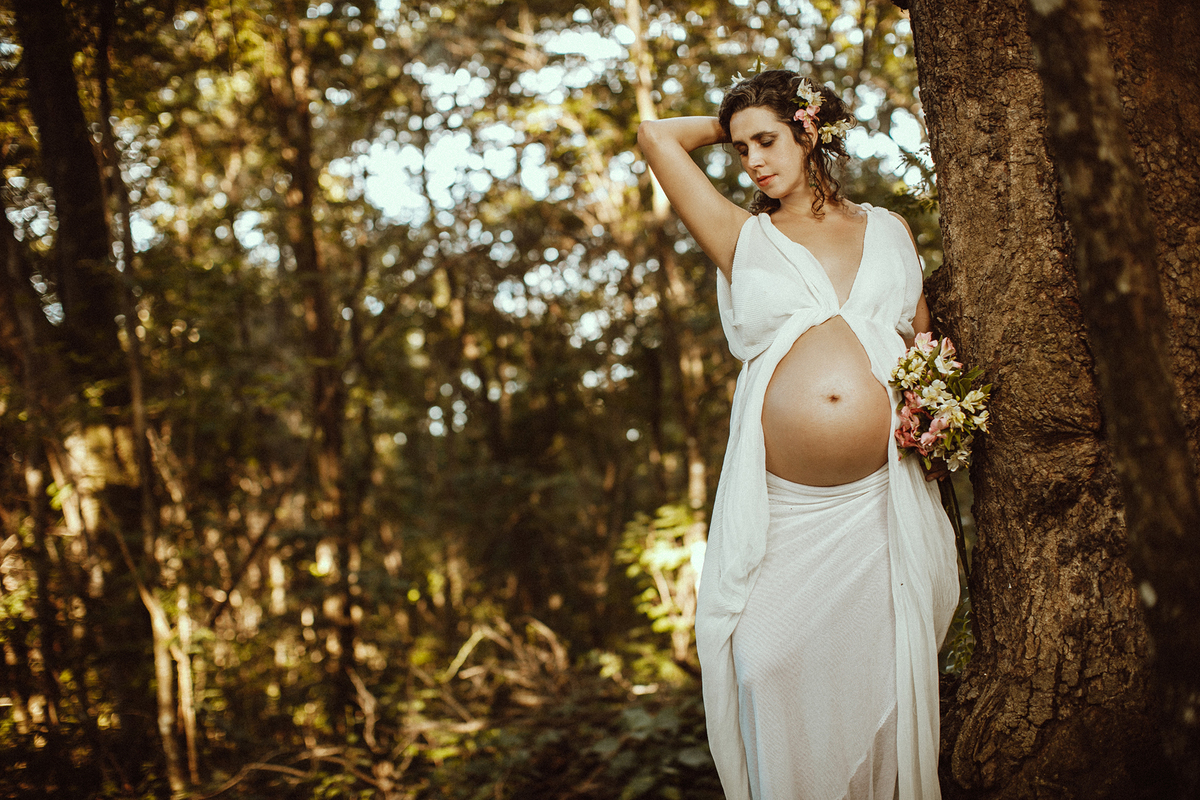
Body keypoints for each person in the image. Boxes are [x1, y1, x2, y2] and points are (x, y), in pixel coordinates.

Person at [637, 69, 960, 800]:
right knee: (762, 662)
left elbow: (925, 351)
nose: (751, 160)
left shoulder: (887, 230)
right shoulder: (743, 237)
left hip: (880, 509)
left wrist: (935, 415)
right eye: (740, 147)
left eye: (768, 140)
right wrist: (740, 118)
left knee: (884, 674)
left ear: (810, 133)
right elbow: (655, 137)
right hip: (785, 514)